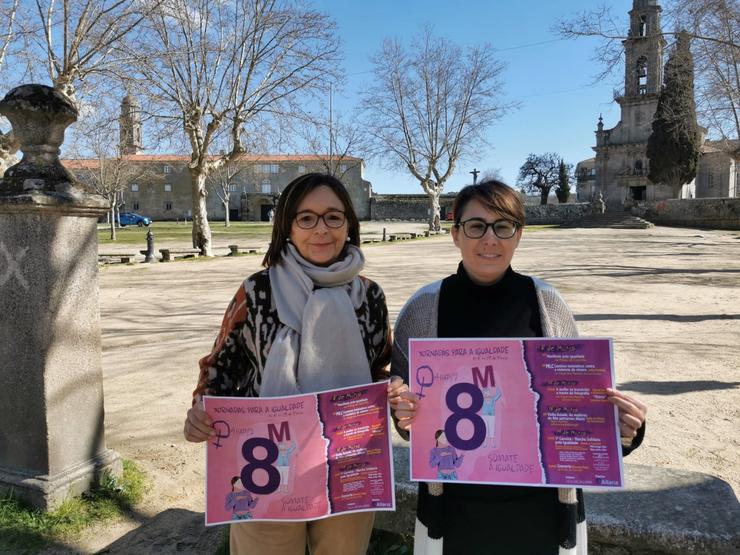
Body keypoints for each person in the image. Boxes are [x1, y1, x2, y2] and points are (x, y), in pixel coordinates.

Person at [390, 180, 647, 555]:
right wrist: (402, 411)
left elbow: (577, 414)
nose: (490, 239)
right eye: (476, 226)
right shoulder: (422, 309)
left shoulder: (549, 305)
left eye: (503, 226)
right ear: (455, 234)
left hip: (542, 513)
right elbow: (411, 425)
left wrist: (623, 431)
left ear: (519, 234)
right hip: (455, 513)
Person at [183, 173, 393, 555]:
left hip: (348, 463)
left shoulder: (370, 297)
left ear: (349, 224)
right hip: (265, 464)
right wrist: (201, 407)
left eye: (333, 216)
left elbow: (379, 370)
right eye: (306, 218)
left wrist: (395, 393)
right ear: (287, 227)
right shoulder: (257, 292)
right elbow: (221, 368)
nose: (321, 229)